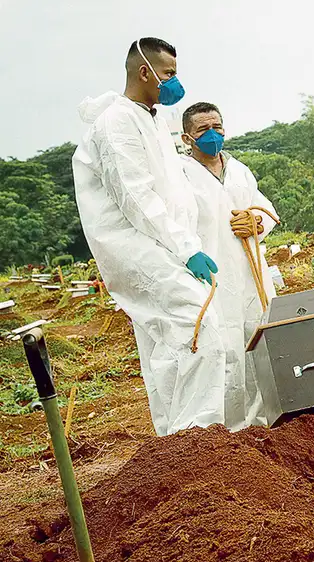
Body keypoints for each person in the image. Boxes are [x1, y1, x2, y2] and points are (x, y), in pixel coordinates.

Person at [72, 38, 227, 436]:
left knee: (167, 346)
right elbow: (136, 198)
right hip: (139, 246)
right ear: (145, 72)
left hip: (164, 245)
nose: (176, 83)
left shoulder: (153, 118)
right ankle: (197, 437)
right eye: (169, 74)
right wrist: (187, 248)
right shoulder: (116, 123)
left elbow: (171, 192)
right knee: (200, 325)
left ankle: (172, 442)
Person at [179, 102, 280, 431]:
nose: (212, 135)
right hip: (213, 278)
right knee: (225, 354)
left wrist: (256, 223)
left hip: (252, 276)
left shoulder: (239, 171)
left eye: (217, 127)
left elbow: (264, 209)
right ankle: (231, 433)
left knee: (260, 343)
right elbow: (176, 224)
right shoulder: (180, 177)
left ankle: (267, 424)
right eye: (203, 130)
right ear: (186, 138)